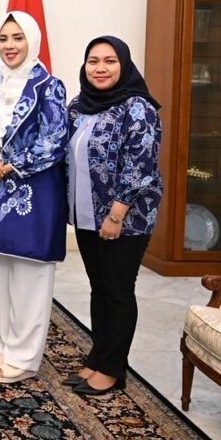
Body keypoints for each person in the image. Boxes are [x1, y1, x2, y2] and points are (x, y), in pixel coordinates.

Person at [0, 11, 69, 384]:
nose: (9, 46)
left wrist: (10, 166)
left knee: (31, 277)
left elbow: (54, 140)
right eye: (4, 38)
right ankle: (8, 347)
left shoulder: (49, 86)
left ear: (32, 41)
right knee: (6, 274)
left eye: (17, 38)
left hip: (35, 193)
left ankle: (25, 359)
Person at [65, 36, 163, 397]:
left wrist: (117, 215)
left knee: (118, 290)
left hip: (125, 219)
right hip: (87, 216)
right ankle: (98, 356)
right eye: (93, 61)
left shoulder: (138, 108)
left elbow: (141, 168)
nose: (100, 68)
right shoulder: (79, 106)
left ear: (124, 65)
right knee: (99, 288)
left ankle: (112, 368)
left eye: (110, 61)